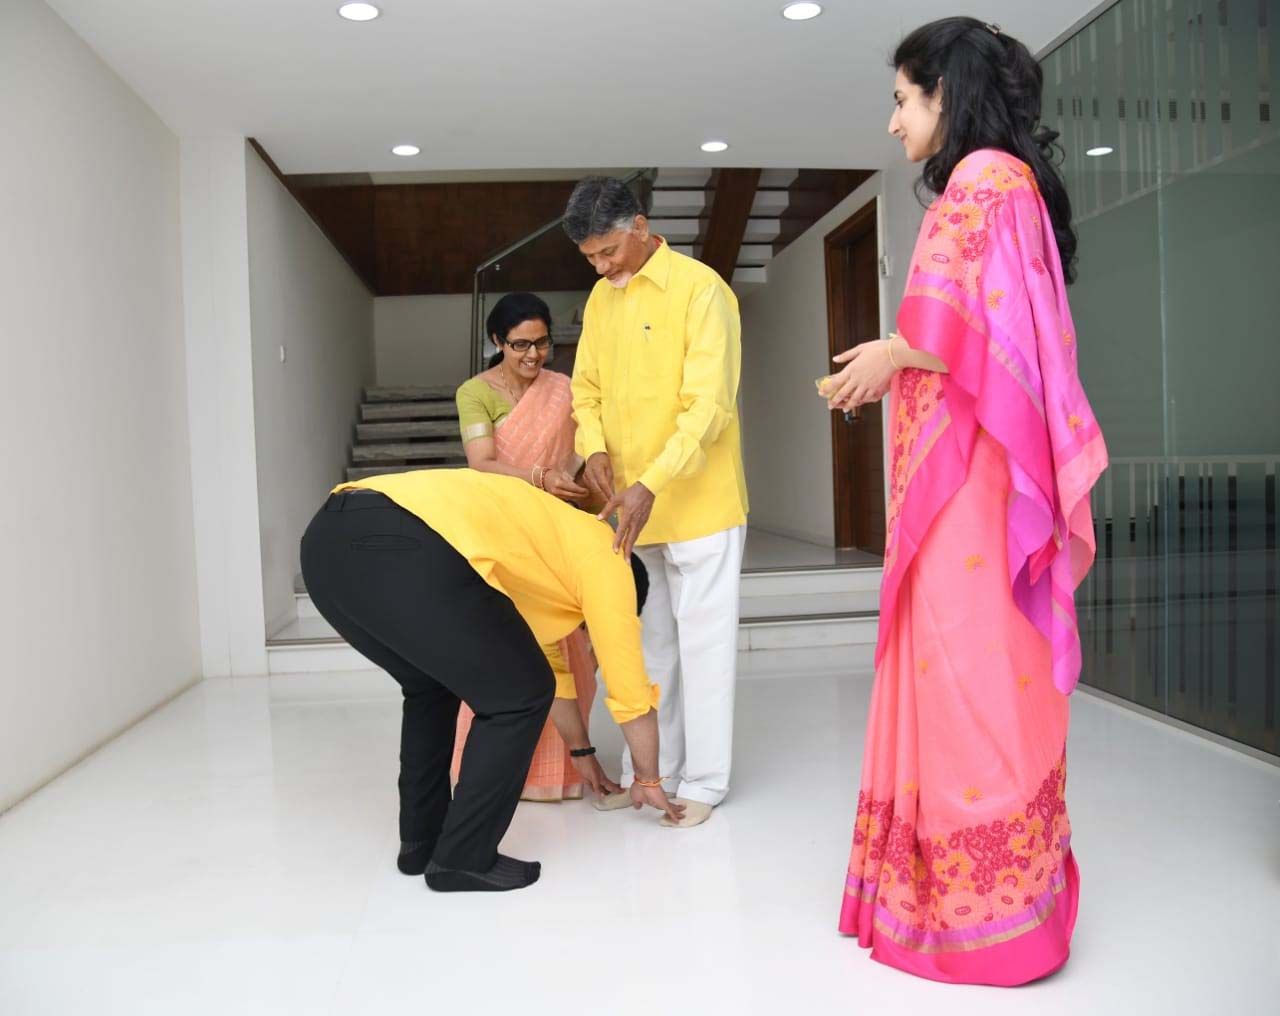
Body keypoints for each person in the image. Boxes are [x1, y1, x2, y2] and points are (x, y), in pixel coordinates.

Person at [822, 18, 1107, 984]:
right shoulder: (1008, 181)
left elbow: (962, 329)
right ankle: (1009, 895)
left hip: (968, 493)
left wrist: (887, 353)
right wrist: (892, 358)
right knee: (985, 671)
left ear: (943, 90)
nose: (894, 118)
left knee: (963, 677)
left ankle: (978, 914)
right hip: (978, 476)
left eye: (904, 97)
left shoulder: (983, 178)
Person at [299, 469, 682, 893]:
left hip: (326, 543)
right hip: (400, 538)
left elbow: (551, 668)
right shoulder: (610, 560)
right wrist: (648, 780)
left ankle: (421, 842)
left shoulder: (546, 559)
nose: (588, 640)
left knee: (432, 685)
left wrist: (581, 752)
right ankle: (462, 857)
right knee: (518, 695)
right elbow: (628, 689)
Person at [563, 176, 749, 828]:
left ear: (639, 225)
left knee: (704, 648)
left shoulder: (702, 292)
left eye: (608, 251)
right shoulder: (599, 298)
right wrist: (591, 450)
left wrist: (651, 481)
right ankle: (652, 771)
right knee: (649, 648)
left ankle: (704, 783)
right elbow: (583, 390)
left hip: (697, 502)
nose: (602, 266)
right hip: (631, 512)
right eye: (590, 258)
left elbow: (709, 407)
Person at [452, 292, 596, 802]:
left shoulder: (564, 388)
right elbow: (481, 463)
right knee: (513, 647)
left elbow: (586, 443)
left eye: (541, 344)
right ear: (497, 342)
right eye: (520, 345)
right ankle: (504, 770)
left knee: (570, 641)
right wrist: (540, 475)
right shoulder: (475, 393)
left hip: (560, 527)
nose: (533, 356)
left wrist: (571, 476)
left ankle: (564, 769)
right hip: (504, 531)